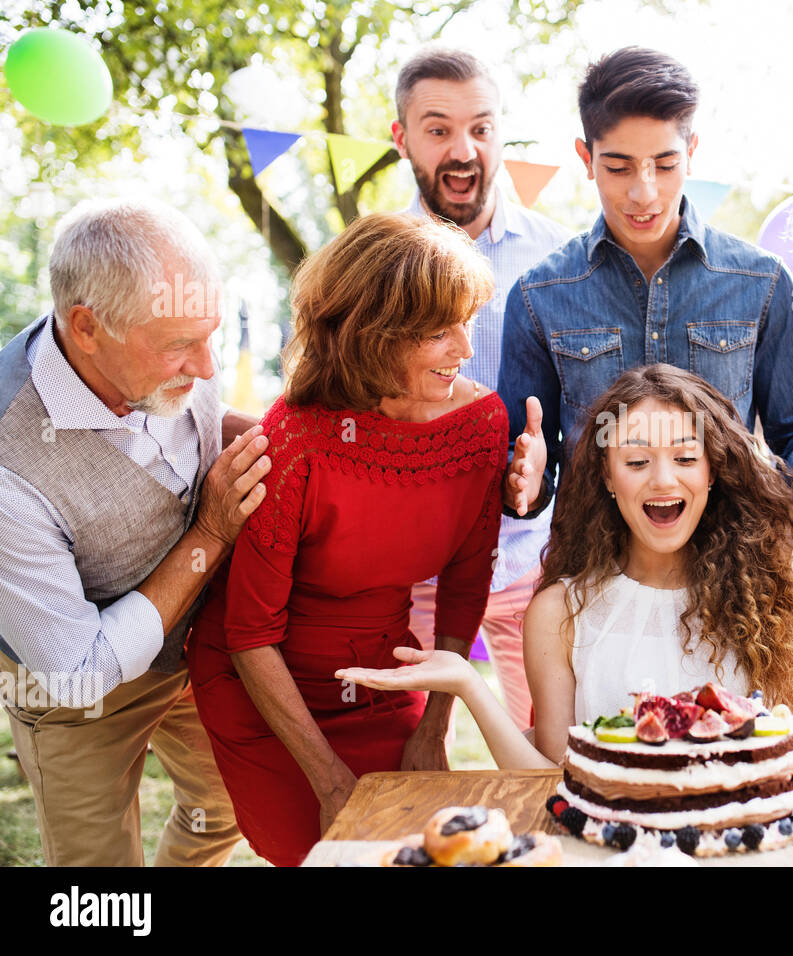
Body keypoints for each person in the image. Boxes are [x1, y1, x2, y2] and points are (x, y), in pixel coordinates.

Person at [336, 365, 793, 769]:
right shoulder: (562, 610)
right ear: (607, 479)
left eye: (685, 459)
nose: (662, 480)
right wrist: (470, 686)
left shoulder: (770, 588)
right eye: (636, 461)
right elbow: (549, 778)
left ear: (715, 472)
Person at [187, 213, 506, 866]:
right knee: (326, 853)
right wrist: (329, 779)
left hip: (381, 672)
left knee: (422, 847)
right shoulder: (296, 436)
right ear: (375, 335)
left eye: (466, 321)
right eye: (438, 331)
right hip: (265, 687)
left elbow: (465, 588)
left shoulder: (481, 425)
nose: (464, 350)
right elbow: (250, 633)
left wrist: (431, 729)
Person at [0, 197, 269, 866]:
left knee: (228, 810)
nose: (207, 368)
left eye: (210, 335)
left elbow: (195, 424)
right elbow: (78, 672)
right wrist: (210, 531)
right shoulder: (8, 459)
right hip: (76, 692)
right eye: (182, 345)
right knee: (100, 882)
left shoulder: (168, 352)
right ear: (86, 327)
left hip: (196, 652)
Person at [499, 46, 793, 524]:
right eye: (618, 168)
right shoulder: (539, 297)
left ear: (692, 152)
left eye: (664, 165)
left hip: (730, 574)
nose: (644, 193)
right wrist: (525, 482)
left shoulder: (760, 282)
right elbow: (524, 464)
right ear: (585, 157)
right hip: (595, 576)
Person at [391, 47, 571, 734]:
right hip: (412, 573)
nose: (463, 150)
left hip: (535, 561)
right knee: (398, 758)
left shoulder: (561, 260)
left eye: (482, 127)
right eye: (438, 129)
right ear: (402, 137)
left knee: (553, 758)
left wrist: (541, 470)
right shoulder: (374, 259)